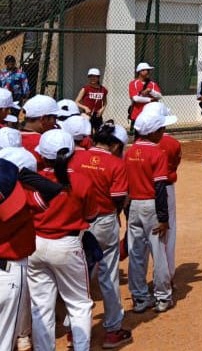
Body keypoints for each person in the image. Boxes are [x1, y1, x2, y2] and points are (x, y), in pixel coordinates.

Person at [27, 129, 94, 351]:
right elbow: (91, 215)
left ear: (42, 155)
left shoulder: (32, 179)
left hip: (34, 244)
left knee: (41, 306)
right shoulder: (81, 180)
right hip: (67, 245)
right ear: (72, 154)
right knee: (79, 303)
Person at [70, 122, 132, 348]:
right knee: (108, 275)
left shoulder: (76, 158)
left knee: (77, 276)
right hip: (104, 219)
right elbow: (118, 198)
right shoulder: (116, 164)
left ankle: (74, 330)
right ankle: (113, 330)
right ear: (115, 146)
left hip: (78, 221)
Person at [0, 153, 65, 351]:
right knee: (4, 340)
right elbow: (53, 188)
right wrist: (19, 172)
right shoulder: (21, 204)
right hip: (9, 274)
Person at [125, 110, 173, 313]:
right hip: (151, 205)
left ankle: (140, 297)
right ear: (152, 132)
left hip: (134, 204)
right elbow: (160, 187)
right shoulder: (157, 152)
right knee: (158, 252)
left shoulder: (129, 151)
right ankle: (163, 296)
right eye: (161, 129)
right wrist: (163, 217)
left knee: (136, 252)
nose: (163, 131)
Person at [141, 102, 181, 282]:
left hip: (141, 191)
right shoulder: (172, 143)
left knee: (141, 239)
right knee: (167, 235)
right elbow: (175, 164)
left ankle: (140, 284)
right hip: (165, 188)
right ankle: (166, 278)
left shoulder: (137, 147)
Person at [20, 95, 59, 168]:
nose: (55, 123)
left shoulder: (9, 138)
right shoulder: (46, 142)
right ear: (43, 119)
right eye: (55, 118)